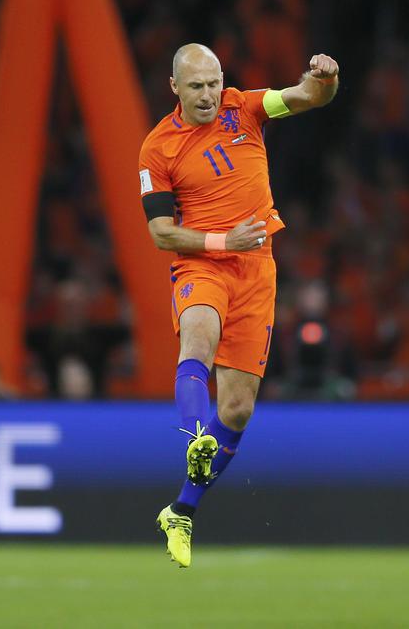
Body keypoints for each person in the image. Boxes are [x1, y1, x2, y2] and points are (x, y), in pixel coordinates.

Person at [139, 43, 338, 567]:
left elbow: (308, 97)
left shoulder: (244, 107)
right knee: (198, 336)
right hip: (204, 262)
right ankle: (194, 433)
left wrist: (325, 78)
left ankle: (181, 510)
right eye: (197, 86)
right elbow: (161, 233)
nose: (208, 96)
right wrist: (224, 242)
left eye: (213, 83)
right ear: (175, 88)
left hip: (256, 267)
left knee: (238, 408)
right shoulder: (158, 149)